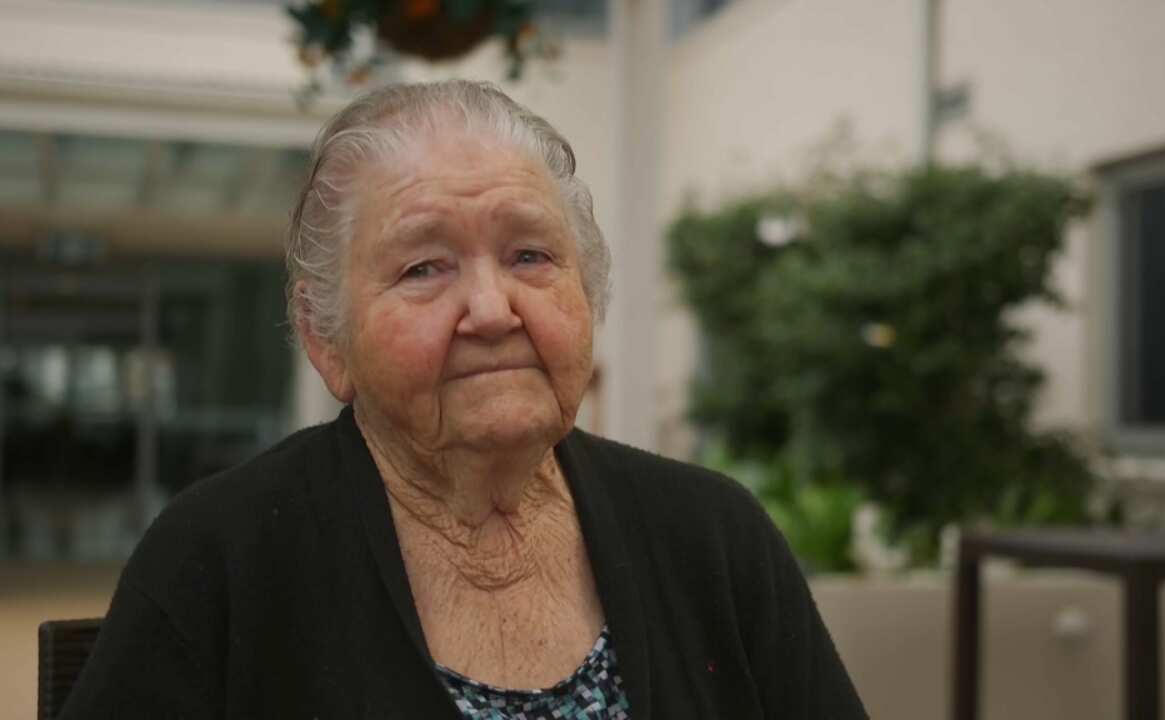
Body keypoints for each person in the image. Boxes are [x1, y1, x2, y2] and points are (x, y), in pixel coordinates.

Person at [60, 80, 869, 719]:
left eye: (530, 256)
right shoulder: (219, 559)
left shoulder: (714, 537)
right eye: (424, 268)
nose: (491, 310)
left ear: (588, 296)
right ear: (324, 338)